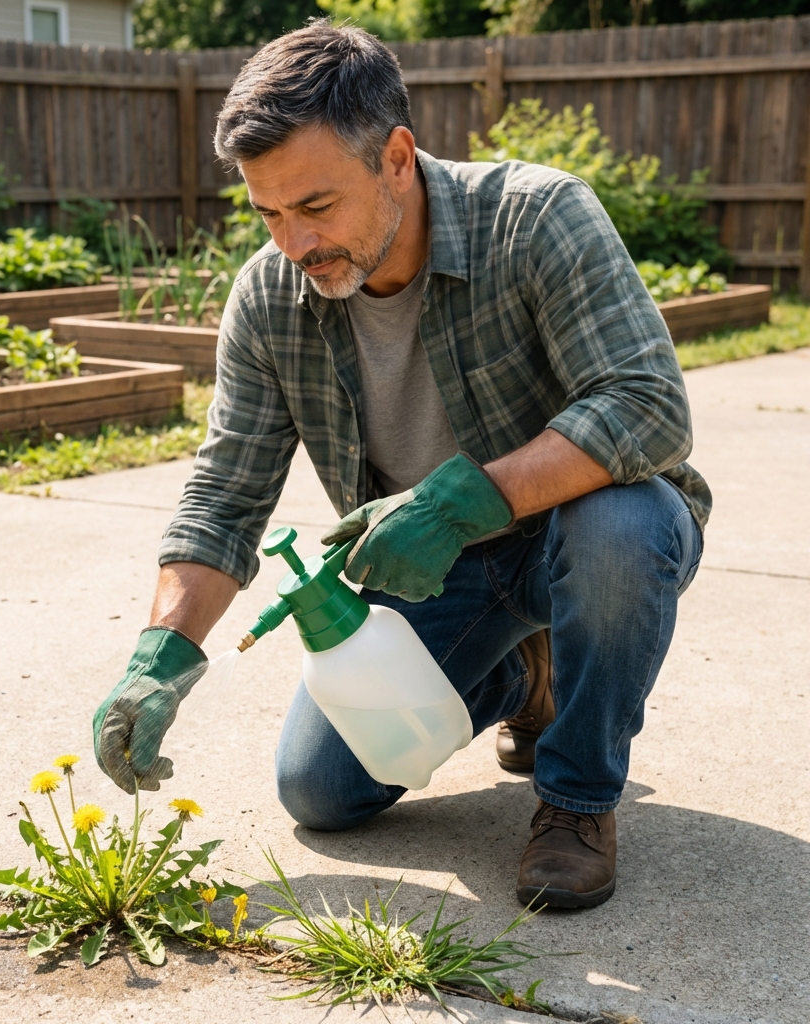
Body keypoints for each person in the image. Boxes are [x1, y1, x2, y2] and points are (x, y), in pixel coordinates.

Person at [92, 21, 710, 909]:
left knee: (623, 524)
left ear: (394, 157)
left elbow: (648, 405)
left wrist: (465, 499)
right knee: (321, 790)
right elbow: (225, 496)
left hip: (580, 532)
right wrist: (159, 654)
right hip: (435, 574)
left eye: (314, 206)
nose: (294, 244)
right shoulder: (271, 299)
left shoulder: (537, 217)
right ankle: (524, 675)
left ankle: (576, 797)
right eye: (267, 213)